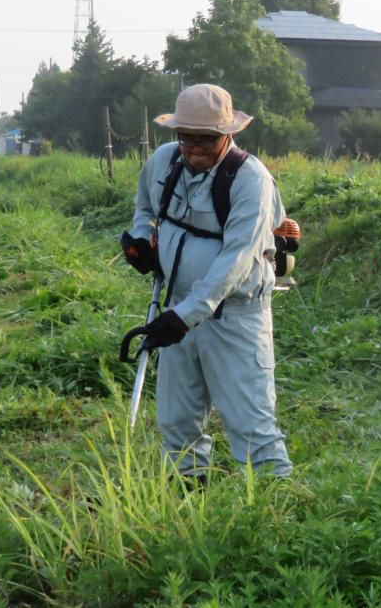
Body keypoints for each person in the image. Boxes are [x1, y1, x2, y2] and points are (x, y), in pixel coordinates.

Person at [122, 84, 293, 480]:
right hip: (177, 308)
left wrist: (183, 317)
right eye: (188, 138)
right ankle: (186, 504)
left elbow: (235, 261)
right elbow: (145, 208)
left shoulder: (250, 180)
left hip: (233, 318)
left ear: (227, 134)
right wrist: (141, 239)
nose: (196, 148)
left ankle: (277, 522)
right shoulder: (164, 162)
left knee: (252, 429)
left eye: (207, 139)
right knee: (177, 424)